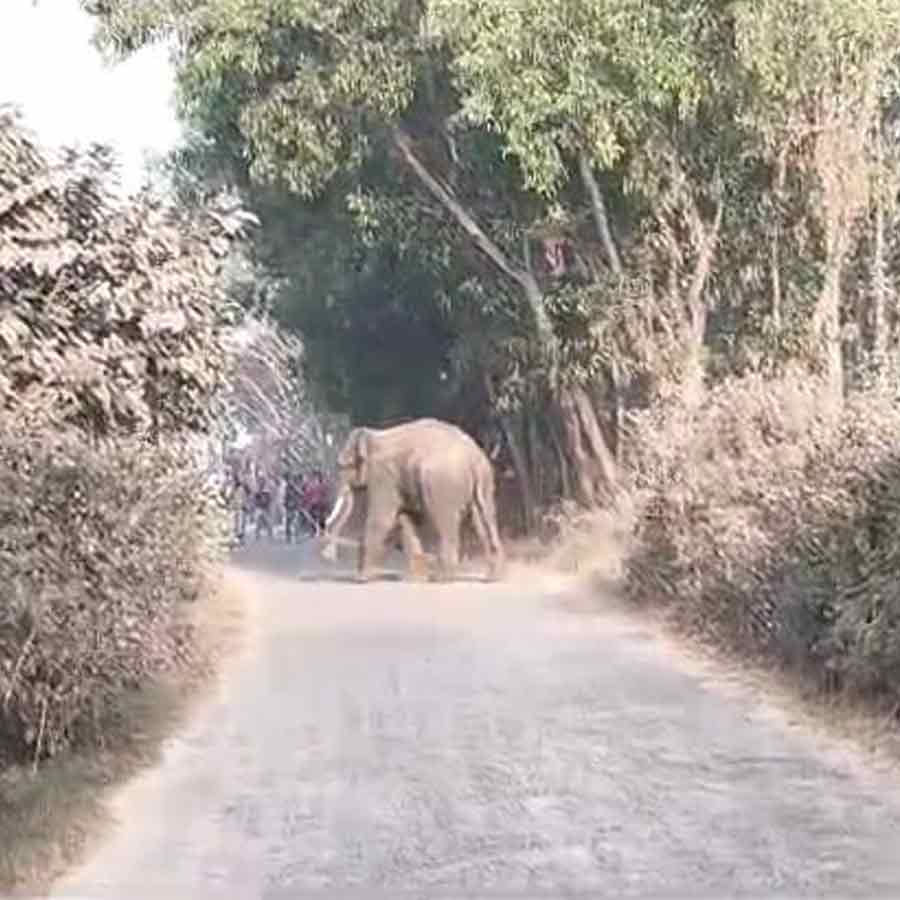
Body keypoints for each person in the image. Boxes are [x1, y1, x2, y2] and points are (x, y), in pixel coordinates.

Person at [283, 472, 303, 543]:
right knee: (289, 521)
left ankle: (295, 537)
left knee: (295, 522)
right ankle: (288, 536)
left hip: (295, 506)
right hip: (289, 506)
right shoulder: (287, 487)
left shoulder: (295, 487)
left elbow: (300, 494)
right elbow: (285, 497)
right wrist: (286, 504)